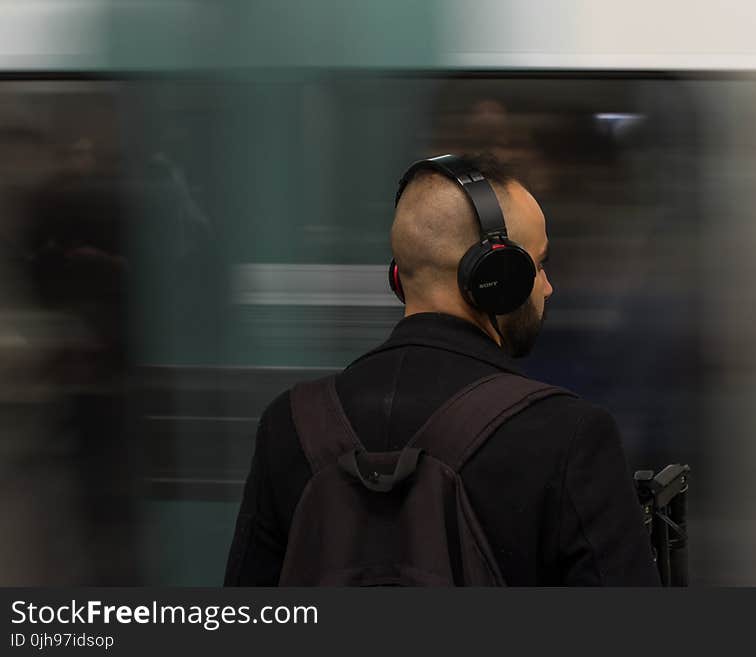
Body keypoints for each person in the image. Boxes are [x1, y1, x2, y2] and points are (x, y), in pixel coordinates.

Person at [225, 154, 659, 586]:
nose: (547, 286)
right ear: (496, 276)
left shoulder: (289, 426)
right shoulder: (570, 435)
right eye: (538, 264)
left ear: (399, 276)